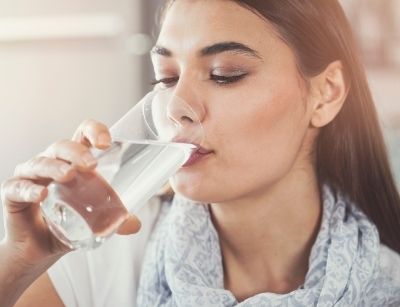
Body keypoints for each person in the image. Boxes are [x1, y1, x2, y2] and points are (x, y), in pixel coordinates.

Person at [1, 0, 400, 306]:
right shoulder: (105, 257)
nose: (176, 107)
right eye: (167, 78)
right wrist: (20, 260)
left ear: (325, 93)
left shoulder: (387, 287)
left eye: (226, 74)